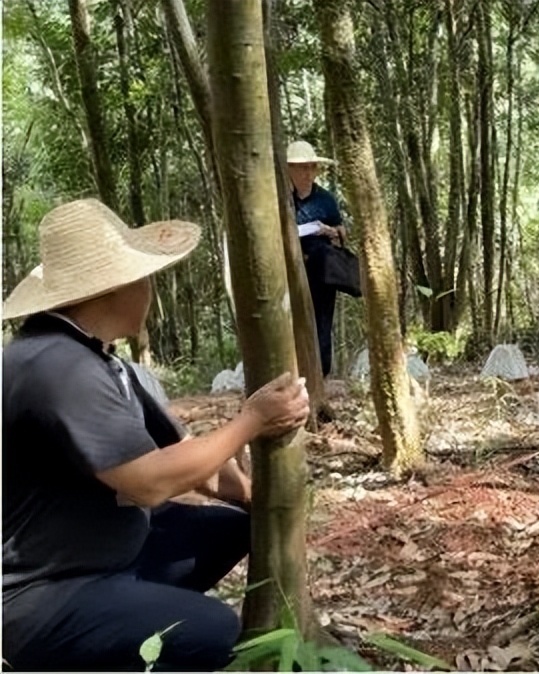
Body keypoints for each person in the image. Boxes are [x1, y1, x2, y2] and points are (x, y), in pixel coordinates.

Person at [2, 199, 310, 671]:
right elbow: (147, 483)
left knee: (237, 528)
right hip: (45, 596)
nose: (149, 290)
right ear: (113, 287)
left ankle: (131, 624)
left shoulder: (101, 360)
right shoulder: (56, 366)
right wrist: (252, 422)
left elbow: (183, 455)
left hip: (107, 555)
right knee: (215, 631)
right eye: (143, 278)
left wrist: (253, 497)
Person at [287, 139, 346, 377]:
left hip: (321, 269)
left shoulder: (326, 199)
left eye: (310, 167)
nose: (307, 172)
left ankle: (321, 373)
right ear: (288, 169)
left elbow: (342, 233)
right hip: (290, 269)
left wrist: (328, 230)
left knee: (322, 320)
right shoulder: (280, 198)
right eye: (301, 167)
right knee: (293, 322)